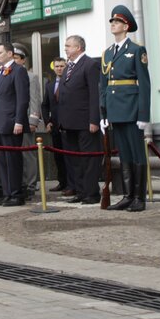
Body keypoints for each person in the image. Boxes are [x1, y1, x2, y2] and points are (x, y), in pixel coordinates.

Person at [100, 6, 151, 212]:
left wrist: (143, 114)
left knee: (137, 154)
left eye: (117, 22)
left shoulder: (136, 50)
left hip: (131, 109)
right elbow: (103, 86)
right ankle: (128, 195)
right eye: (111, 22)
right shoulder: (108, 53)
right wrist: (103, 113)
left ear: (126, 26)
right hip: (114, 110)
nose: (113, 24)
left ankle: (139, 198)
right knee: (124, 155)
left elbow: (145, 84)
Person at [57, 37, 102, 205]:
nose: (66, 49)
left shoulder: (90, 65)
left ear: (78, 47)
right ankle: (81, 191)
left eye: (68, 46)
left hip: (85, 122)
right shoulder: (69, 67)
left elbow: (94, 95)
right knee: (75, 160)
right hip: (69, 123)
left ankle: (91, 193)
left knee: (88, 159)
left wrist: (94, 120)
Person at [0, 41, 30, 206]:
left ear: (10, 54)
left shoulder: (18, 71)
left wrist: (19, 121)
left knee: (12, 160)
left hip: (11, 123)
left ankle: (16, 194)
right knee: (2, 161)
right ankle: (7, 192)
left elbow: (22, 98)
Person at [11, 43, 42, 194]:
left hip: (26, 120)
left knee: (28, 153)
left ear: (23, 60)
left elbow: (34, 100)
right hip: (12, 120)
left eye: (17, 58)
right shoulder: (8, 73)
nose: (14, 60)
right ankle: (21, 182)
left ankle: (30, 184)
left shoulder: (31, 76)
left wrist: (33, 120)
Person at [41, 56, 70, 195]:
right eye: (57, 66)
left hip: (69, 125)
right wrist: (47, 122)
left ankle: (71, 184)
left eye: (62, 66)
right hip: (55, 127)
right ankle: (62, 182)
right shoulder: (50, 85)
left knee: (69, 156)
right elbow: (45, 105)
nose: (59, 69)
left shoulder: (70, 82)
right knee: (58, 157)